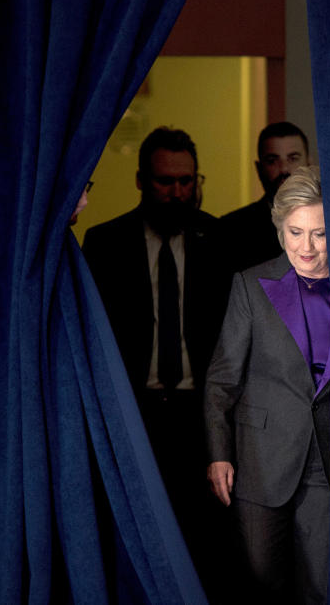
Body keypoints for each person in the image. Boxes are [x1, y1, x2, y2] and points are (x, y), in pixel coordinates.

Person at [81, 127, 231, 596]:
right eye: (166, 182)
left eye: (187, 181)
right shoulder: (105, 243)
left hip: (199, 415)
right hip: (134, 412)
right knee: (135, 533)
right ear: (141, 180)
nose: (177, 193)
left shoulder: (218, 239)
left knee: (204, 541)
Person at [205, 166, 330, 604]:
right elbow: (222, 379)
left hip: (327, 464)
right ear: (280, 230)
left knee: (321, 588)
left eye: (320, 233)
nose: (308, 248)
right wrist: (219, 455)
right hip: (259, 461)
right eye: (296, 232)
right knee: (262, 586)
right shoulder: (250, 286)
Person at [221, 121, 310, 272]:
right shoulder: (229, 231)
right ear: (259, 168)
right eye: (272, 161)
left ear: (309, 163)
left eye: (293, 158)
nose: (284, 169)